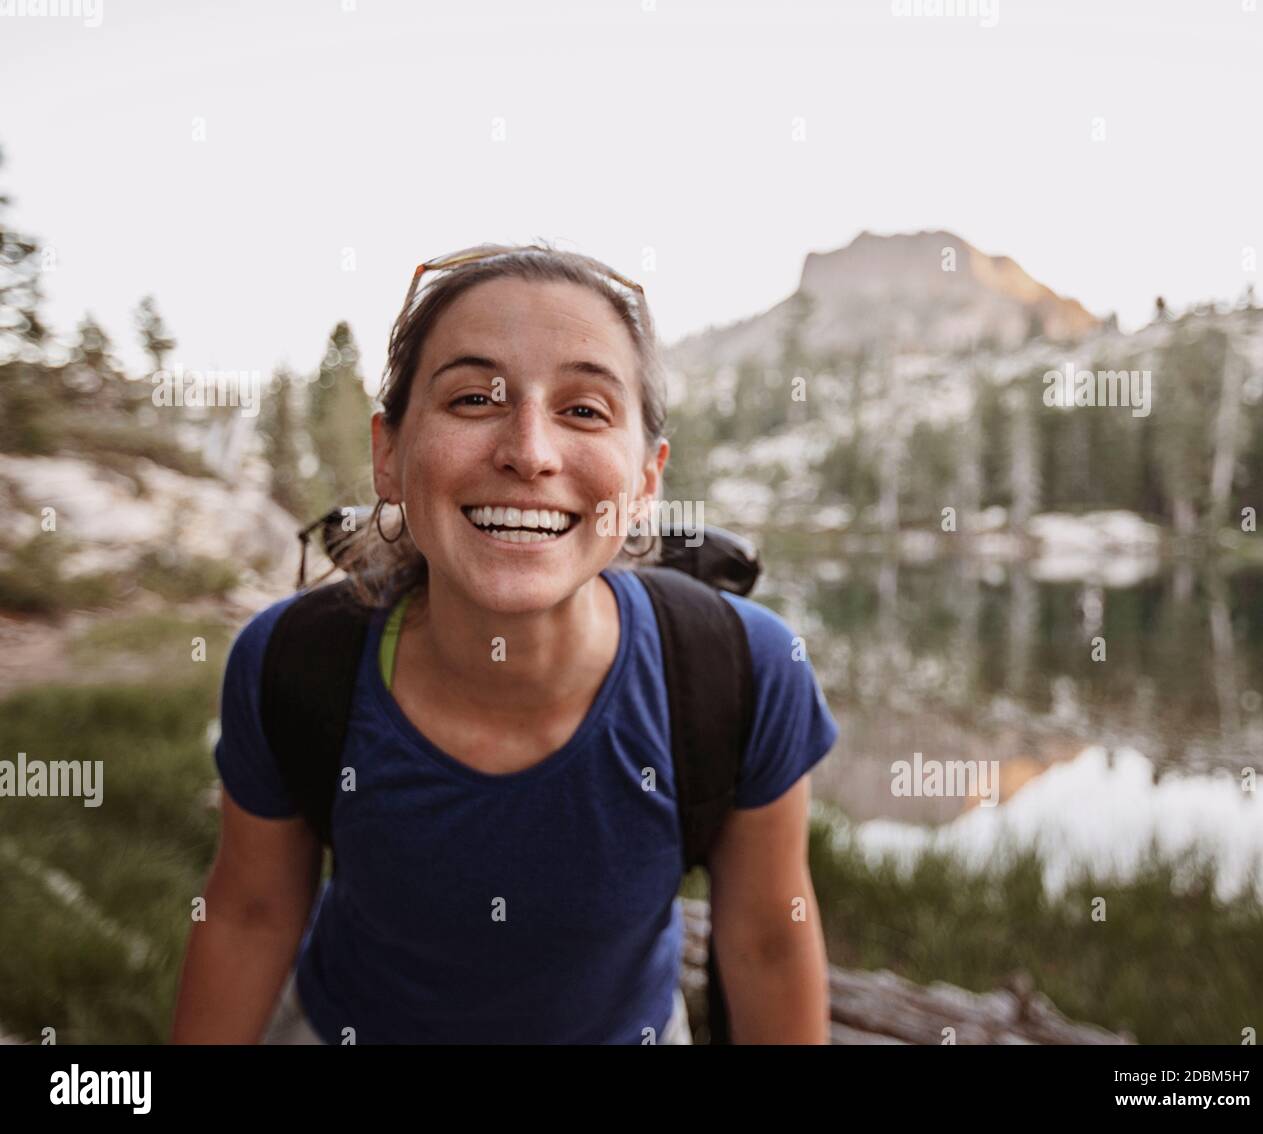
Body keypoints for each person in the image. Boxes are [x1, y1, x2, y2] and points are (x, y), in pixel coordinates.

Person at [170, 242, 840, 1044]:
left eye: (585, 410)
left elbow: (769, 939)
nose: (529, 451)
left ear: (647, 481)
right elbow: (249, 914)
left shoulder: (743, 670)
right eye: (472, 400)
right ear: (389, 453)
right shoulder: (290, 662)